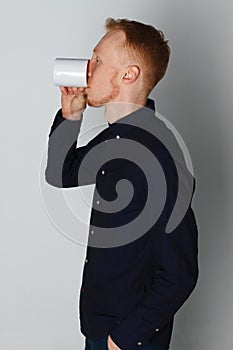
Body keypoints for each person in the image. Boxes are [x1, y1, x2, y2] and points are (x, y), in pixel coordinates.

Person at [45, 18, 198, 350]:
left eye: (98, 60)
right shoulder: (118, 139)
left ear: (129, 75)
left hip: (128, 339)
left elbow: (180, 273)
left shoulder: (160, 155)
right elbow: (61, 174)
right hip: (100, 325)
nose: (88, 68)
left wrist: (123, 339)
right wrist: (71, 117)